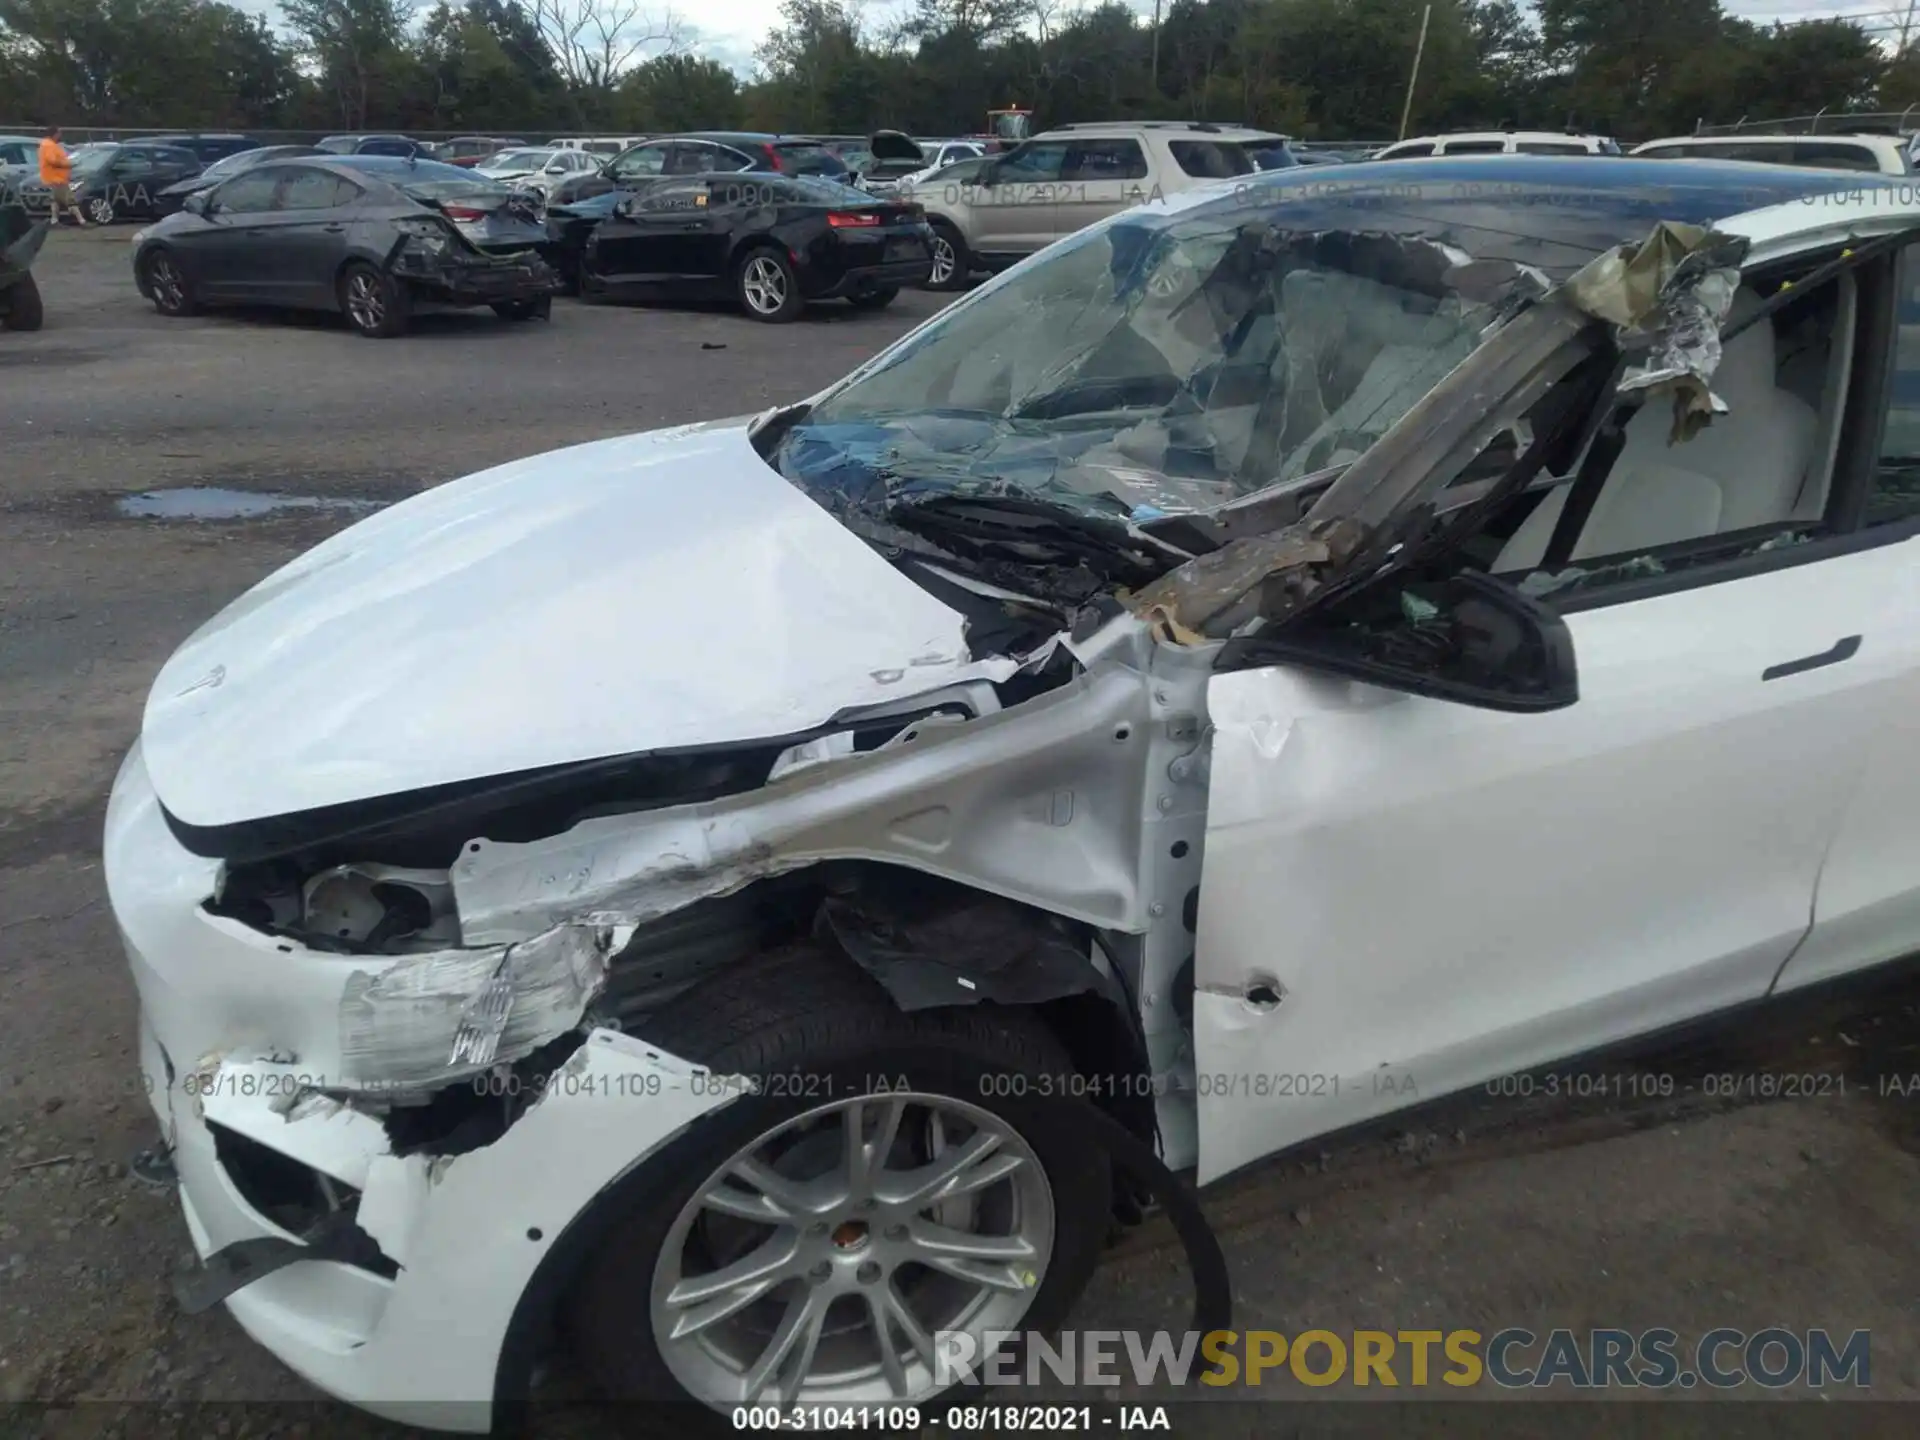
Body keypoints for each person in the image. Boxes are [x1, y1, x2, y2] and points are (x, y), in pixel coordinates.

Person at [39, 125, 85, 227]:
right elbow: (52, 161)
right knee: (70, 199)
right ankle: (82, 221)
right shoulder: (49, 146)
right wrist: (69, 164)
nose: (60, 135)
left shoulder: (48, 144)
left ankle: (54, 221)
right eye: (59, 133)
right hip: (57, 179)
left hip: (53, 178)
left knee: (55, 200)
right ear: (54, 134)